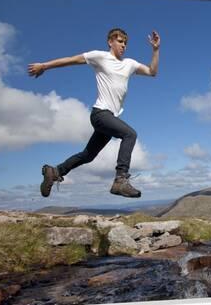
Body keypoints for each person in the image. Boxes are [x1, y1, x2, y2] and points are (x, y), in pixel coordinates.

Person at [28, 28, 160, 198]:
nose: (123, 45)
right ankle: (120, 179)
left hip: (110, 117)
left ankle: (54, 172)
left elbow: (152, 72)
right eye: (120, 41)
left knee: (88, 155)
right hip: (100, 114)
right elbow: (71, 60)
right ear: (110, 42)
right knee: (130, 135)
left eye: (125, 43)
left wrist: (155, 50)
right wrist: (44, 66)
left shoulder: (130, 64)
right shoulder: (100, 56)